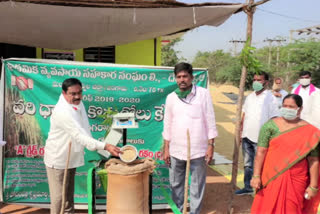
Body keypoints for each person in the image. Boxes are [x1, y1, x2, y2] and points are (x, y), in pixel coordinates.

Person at [44, 78, 121, 214]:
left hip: (71, 156)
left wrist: (98, 145)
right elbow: (79, 135)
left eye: (79, 93)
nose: (77, 96)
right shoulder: (62, 111)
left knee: (68, 196)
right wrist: (105, 146)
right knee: (59, 199)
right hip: (58, 158)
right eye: (73, 94)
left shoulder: (80, 104)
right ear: (64, 93)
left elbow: (85, 130)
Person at [162, 62, 218, 214]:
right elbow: (167, 124)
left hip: (198, 149)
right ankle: (178, 211)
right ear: (175, 79)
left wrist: (211, 145)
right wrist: (166, 148)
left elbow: (210, 120)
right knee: (175, 184)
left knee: (197, 185)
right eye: (179, 77)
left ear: (192, 77)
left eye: (185, 76)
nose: (182, 80)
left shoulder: (203, 94)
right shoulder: (171, 98)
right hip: (176, 149)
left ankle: (194, 212)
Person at [250, 94, 320, 214]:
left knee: (292, 209)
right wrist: (256, 176)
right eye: (284, 106)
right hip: (270, 176)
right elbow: (260, 152)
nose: (287, 109)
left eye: (291, 107)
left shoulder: (311, 133)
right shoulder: (270, 126)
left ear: (300, 109)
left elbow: (313, 160)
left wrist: (313, 186)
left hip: (296, 179)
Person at [235, 72, 279, 195]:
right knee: (248, 163)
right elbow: (244, 114)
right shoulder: (250, 97)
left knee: (262, 164)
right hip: (246, 135)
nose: (256, 82)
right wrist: (240, 131)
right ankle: (248, 187)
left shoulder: (271, 98)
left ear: (266, 82)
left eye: (259, 80)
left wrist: (270, 137)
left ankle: (262, 188)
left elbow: (274, 119)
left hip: (261, 138)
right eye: (254, 79)